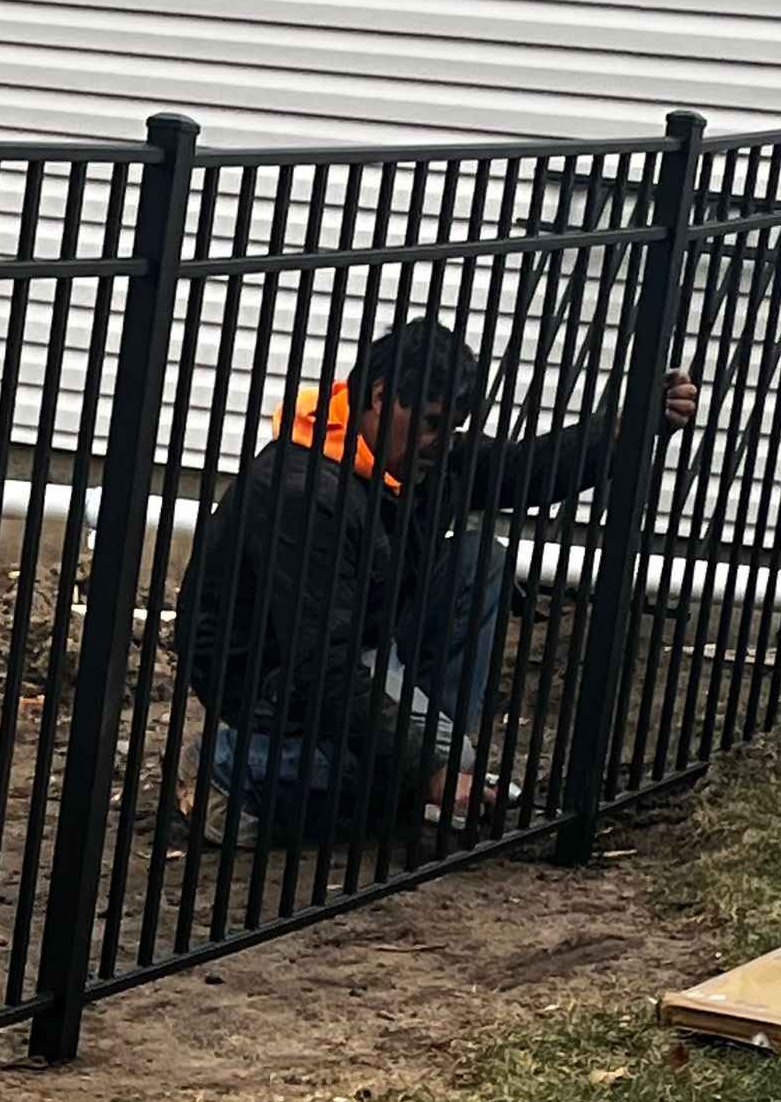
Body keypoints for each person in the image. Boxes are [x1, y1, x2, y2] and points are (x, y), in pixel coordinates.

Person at [180, 317, 699, 840]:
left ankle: (428, 767)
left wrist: (623, 428)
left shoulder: (427, 459)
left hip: (367, 637)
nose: (442, 443)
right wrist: (429, 770)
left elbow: (524, 469)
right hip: (270, 673)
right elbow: (323, 669)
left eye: (453, 428)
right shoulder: (307, 495)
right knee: (424, 763)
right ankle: (227, 763)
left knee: (479, 561)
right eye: (431, 423)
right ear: (380, 397)